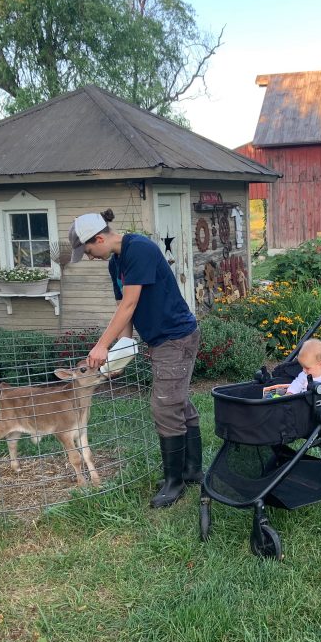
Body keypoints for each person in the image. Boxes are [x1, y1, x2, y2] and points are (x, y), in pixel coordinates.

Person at [69, 209, 201, 508]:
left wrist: (101, 346)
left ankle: (175, 482)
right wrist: (121, 352)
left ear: (99, 238)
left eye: (89, 250)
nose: (90, 256)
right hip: (161, 339)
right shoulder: (116, 262)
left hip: (175, 336)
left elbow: (130, 305)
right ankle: (192, 470)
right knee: (177, 400)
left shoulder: (139, 249)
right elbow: (123, 308)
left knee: (165, 405)